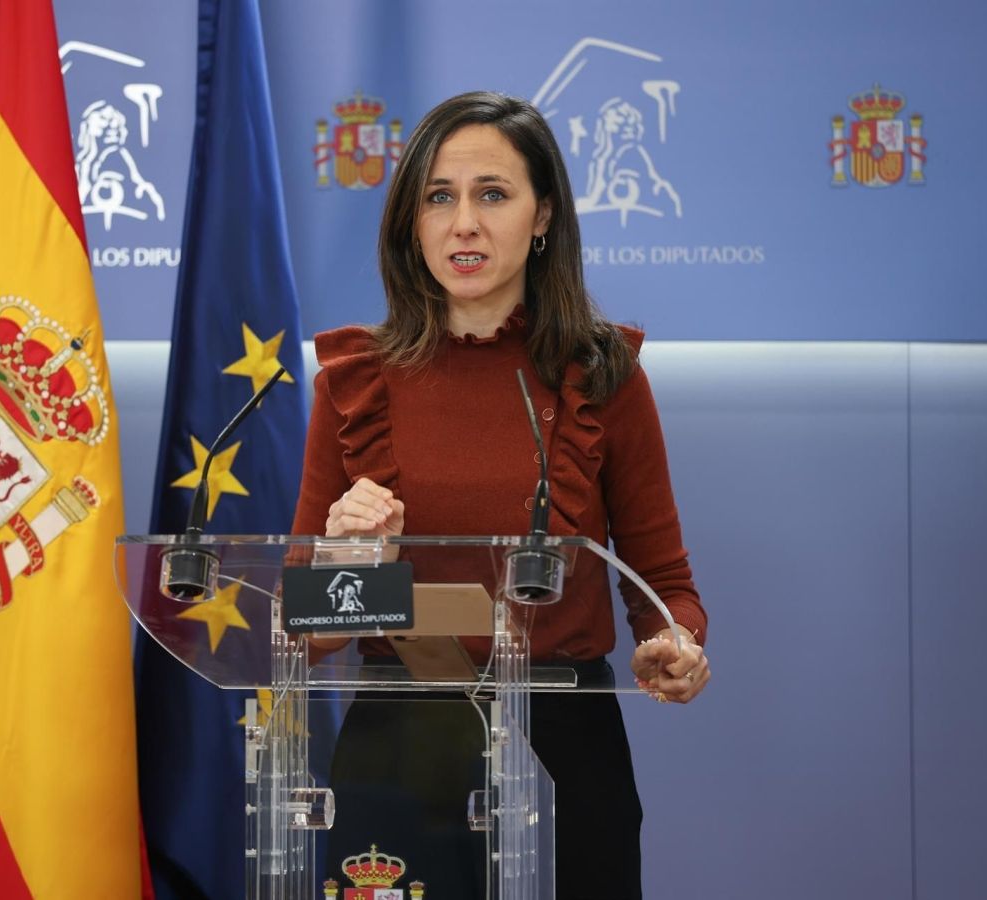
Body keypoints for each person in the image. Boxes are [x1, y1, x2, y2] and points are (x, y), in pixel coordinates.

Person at [291, 91, 709, 900]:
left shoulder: (604, 377)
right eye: (438, 197)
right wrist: (352, 563)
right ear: (411, 222)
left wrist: (675, 643)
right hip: (398, 745)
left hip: (564, 741)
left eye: (492, 194)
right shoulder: (355, 383)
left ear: (542, 214)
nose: (464, 224)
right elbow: (298, 632)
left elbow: (666, 587)